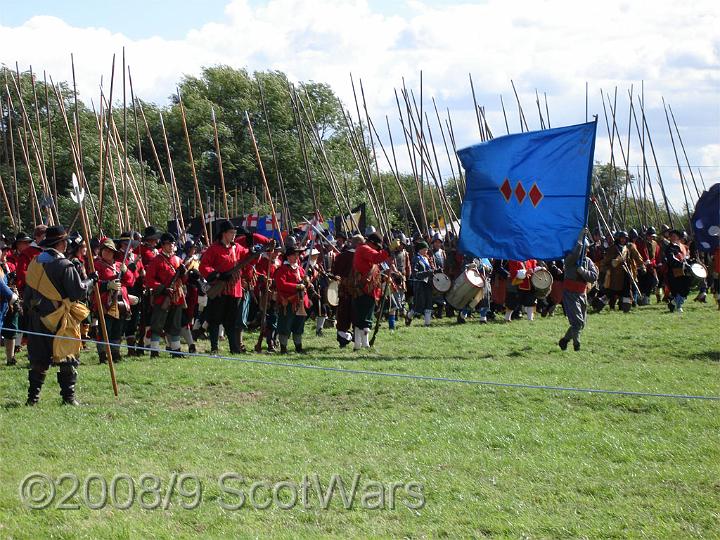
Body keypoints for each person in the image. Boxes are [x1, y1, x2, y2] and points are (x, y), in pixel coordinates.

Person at [22, 226, 96, 405]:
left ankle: (33, 398)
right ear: (62, 244)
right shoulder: (65, 265)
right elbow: (77, 292)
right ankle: (68, 398)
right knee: (67, 356)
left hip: (36, 318)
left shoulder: (34, 263)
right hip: (59, 318)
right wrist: (91, 281)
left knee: (38, 360)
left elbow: (27, 295)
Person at [199, 220, 252, 354]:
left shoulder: (237, 248)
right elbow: (204, 266)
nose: (234, 235)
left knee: (232, 321)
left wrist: (252, 248)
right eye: (231, 232)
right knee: (215, 319)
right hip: (220, 289)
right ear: (224, 234)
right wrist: (217, 275)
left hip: (234, 289)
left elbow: (249, 258)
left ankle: (234, 348)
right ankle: (214, 348)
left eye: (234, 232)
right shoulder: (213, 248)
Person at [349, 228, 398, 350]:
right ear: (372, 243)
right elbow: (377, 258)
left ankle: (358, 345)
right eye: (377, 246)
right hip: (365, 289)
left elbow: (376, 262)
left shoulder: (363, 249)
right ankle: (364, 344)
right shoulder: (365, 249)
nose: (377, 248)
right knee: (365, 317)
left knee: (360, 317)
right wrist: (388, 250)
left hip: (364, 288)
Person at [145, 233, 187, 357]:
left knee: (175, 324)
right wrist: (163, 288)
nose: (171, 246)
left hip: (176, 296)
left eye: (172, 244)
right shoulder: (156, 260)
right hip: (162, 297)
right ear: (162, 245)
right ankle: (154, 350)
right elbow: (149, 279)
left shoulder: (178, 260)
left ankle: (176, 350)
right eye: (168, 243)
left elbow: (183, 280)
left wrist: (184, 273)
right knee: (157, 324)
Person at [93, 238, 132, 364]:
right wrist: (107, 285)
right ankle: (103, 355)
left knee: (117, 330)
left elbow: (131, 281)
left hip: (120, 302)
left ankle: (115, 354)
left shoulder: (120, 265)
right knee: (105, 331)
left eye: (110, 251)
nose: (108, 253)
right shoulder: (96, 265)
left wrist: (126, 272)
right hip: (105, 303)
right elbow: (93, 284)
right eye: (105, 250)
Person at [559, 228, 599, 351]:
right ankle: (577, 344)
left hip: (582, 293)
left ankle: (565, 340)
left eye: (586, 249)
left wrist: (583, 272)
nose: (585, 251)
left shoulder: (588, 262)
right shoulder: (570, 259)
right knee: (577, 321)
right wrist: (580, 239)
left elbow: (594, 277)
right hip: (570, 293)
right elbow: (576, 252)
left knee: (582, 323)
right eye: (583, 249)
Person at [274, 245, 311, 353]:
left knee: (298, 326)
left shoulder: (300, 269)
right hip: (288, 302)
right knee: (285, 326)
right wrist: (297, 286)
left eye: (298, 255)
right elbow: (281, 284)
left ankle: (298, 347)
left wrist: (307, 281)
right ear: (288, 257)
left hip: (300, 302)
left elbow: (305, 285)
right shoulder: (282, 270)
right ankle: (283, 348)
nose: (297, 257)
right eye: (295, 255)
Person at [405, 241, 435, 327]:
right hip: (419, 284)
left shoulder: (426, 258)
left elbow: (430, 271)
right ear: (420, 250)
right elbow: (415, 274)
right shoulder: (416, 259)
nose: (426, 251)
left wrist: (435, 271)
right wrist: (427, 273)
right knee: (419, 304)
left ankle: (427, 323)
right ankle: (409, 316)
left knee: (429, 302)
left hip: (427, 283)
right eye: (425, 249)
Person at [664, 229, 692, 313]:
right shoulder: (669, 248)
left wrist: (687, 262)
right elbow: (672, 258)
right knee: (677, 290)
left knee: (685, 288)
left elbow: (683, 258)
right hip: (673, 272)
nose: (673, 238)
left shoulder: (679, 247)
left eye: (675, 236)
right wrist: (681, 263)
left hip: (681, 271)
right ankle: (679, 306)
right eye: (671, 236)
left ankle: (673, 303)